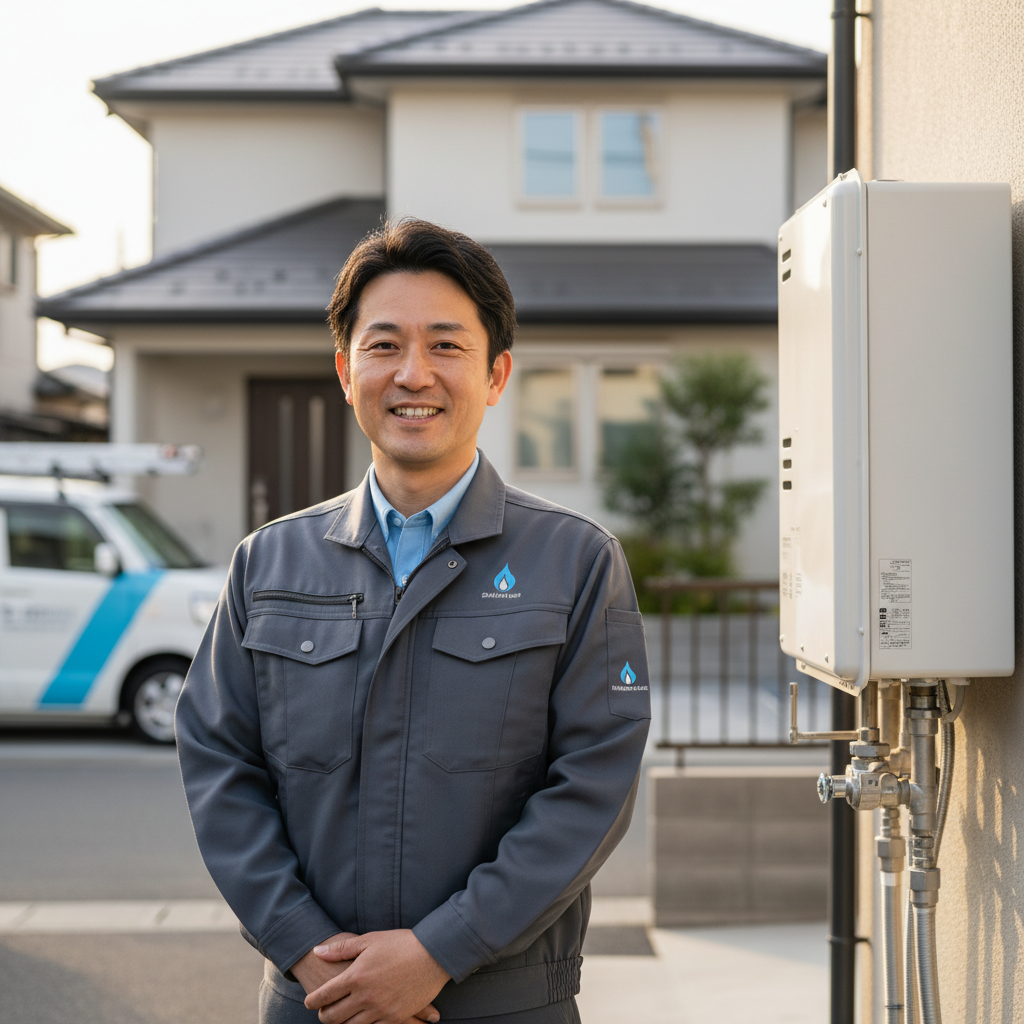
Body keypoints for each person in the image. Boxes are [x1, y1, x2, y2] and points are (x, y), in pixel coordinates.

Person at [175, 219, 651, 1024]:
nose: (413, 374)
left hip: (502, 1003)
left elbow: (592, 787)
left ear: (497, 375)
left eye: (447, 346)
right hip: (314, 999)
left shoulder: (576, 563)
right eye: (385, 345)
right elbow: (220, 765)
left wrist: (441, 951)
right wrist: (306, 948)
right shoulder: (269, 564)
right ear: (344, 369)